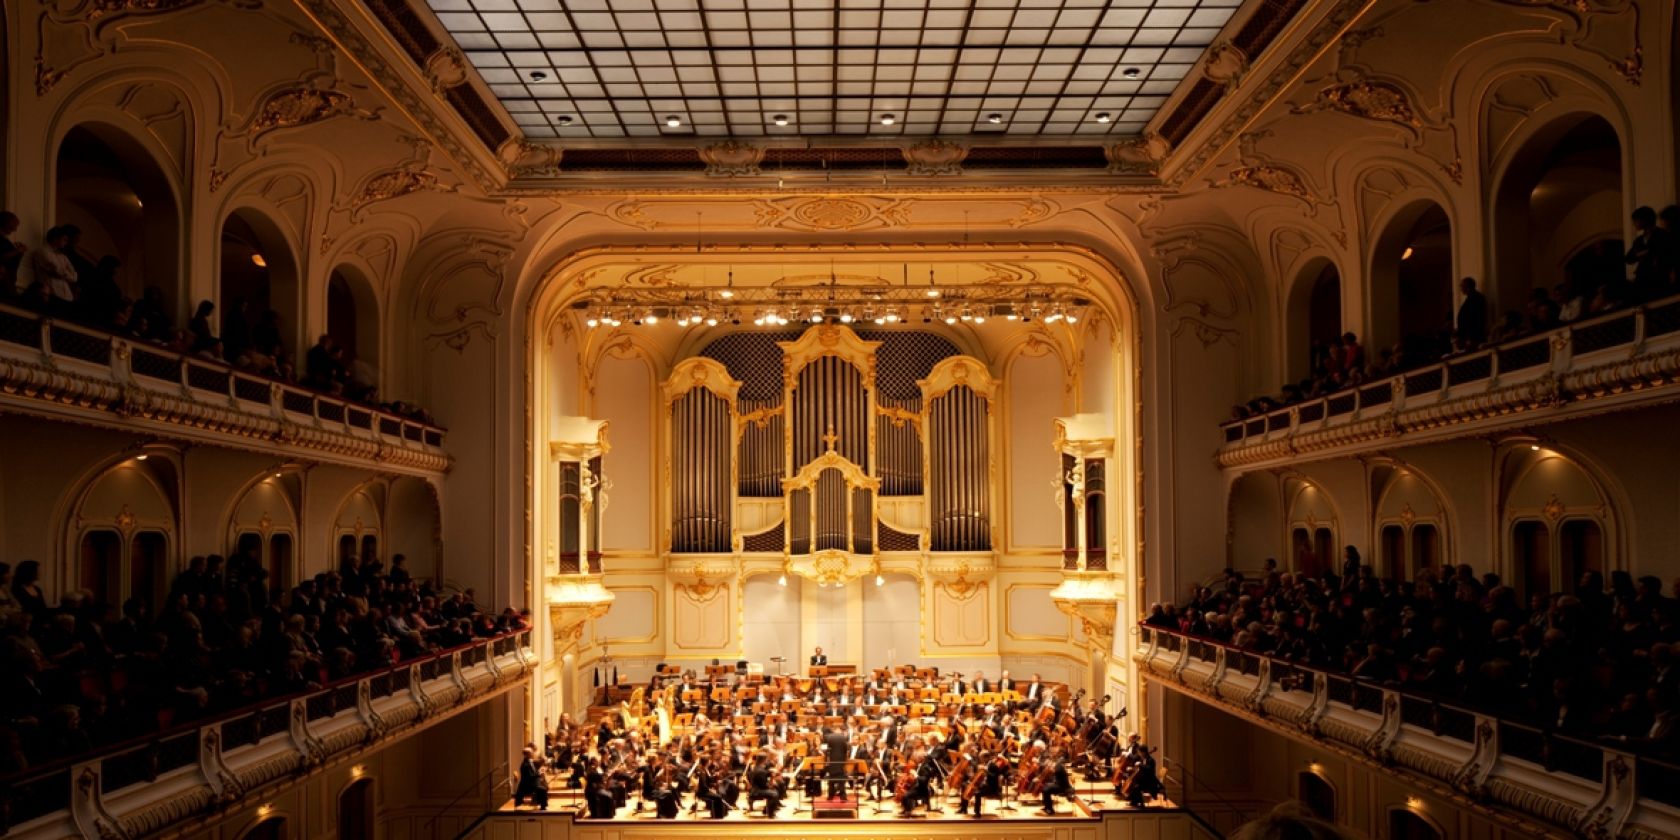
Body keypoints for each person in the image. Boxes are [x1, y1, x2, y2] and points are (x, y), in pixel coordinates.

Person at [1038, 749, 1077, 815]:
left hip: (1062, 786)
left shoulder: (1059, 764)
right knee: (1044, 786)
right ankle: (1047, 806)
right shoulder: (1057, 763)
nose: (1052, 754)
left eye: (1053, 753)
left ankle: (1050, 810)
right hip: (1058, 783)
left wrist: (1050, 769)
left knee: (1045, 790)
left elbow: (1056, 771)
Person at [1456, 277, 1487, 348]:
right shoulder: (1471, 298)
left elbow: (1474, 318)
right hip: (1468, 336)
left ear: (1468, 286)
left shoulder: (1476, 298)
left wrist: (1469, 336)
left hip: (1473, 336)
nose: (1461, 288)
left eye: (1462, 286)